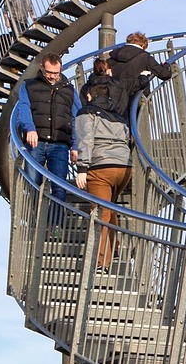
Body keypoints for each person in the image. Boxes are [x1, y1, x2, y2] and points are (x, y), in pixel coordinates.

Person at [74, 32, 177, 271]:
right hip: (124, 160)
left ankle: (101, 262)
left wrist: (81, 168)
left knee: (101, 212)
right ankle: (115, 247)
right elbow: (161, 76)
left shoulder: (87, 110)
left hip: (101, 165)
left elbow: (86, 140)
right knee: (109, 206)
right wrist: (150, 73)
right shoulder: (122, 92)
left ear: (88, 94)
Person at [11, 54, 79, 215]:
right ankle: (35, 220)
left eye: (56, 73)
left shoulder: (69, 90)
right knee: (33, 182)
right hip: (36, 141)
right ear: (42, 68)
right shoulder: (29, 85)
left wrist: (75, 145)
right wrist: (30, 128)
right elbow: (24, 108)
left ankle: (55, 225)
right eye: (49, 72)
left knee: (60, 186)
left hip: (60, 143)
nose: (52, 76)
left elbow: (76, 118)